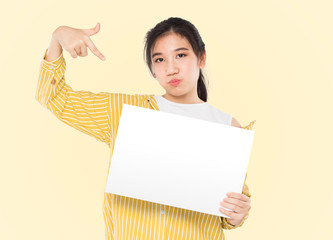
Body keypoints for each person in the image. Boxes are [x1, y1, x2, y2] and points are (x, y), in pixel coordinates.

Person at [35, 17, 255, 240]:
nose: (171, 69)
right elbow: (54, 97)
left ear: (202, 57)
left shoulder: (228, 127)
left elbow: (228, 212)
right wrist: (58, 36)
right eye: (159, 60)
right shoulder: (123, 113)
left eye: (181, 55)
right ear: (152, 69)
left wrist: (236, 215)